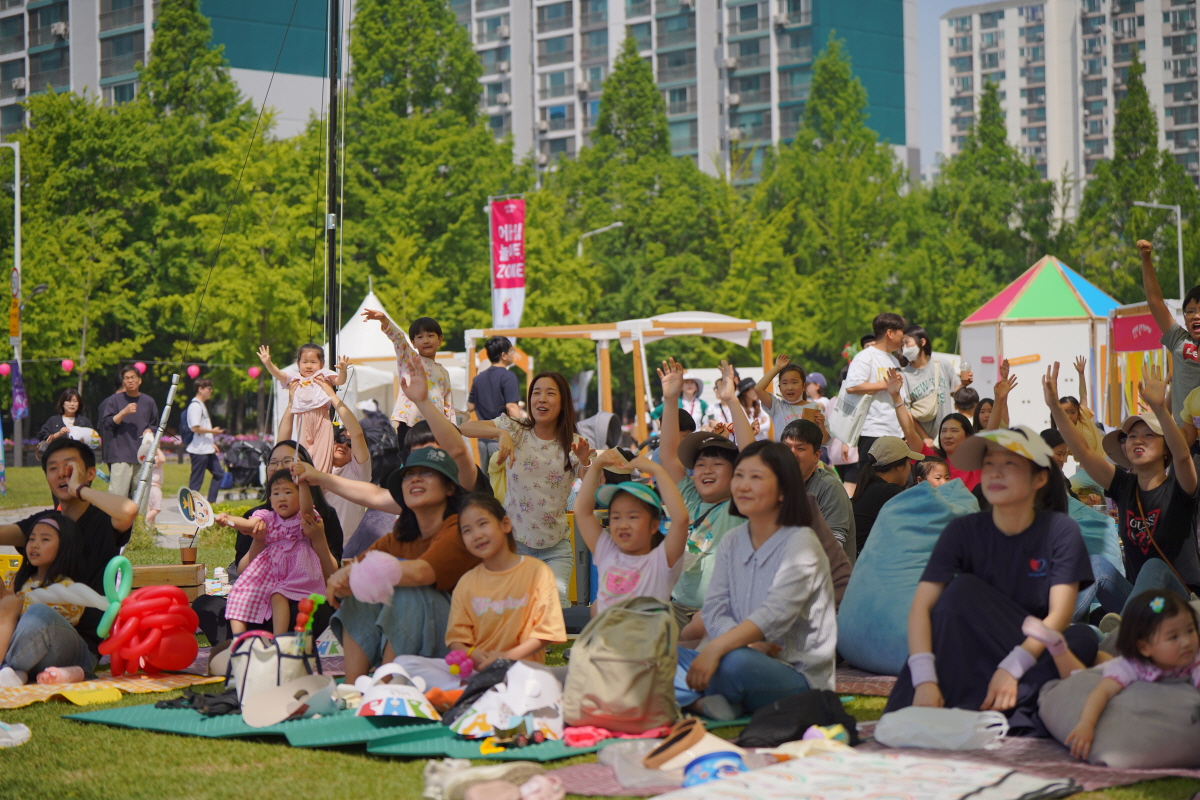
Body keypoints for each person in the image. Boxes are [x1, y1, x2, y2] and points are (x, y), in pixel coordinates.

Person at [885, 426, 1096, 735]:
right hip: (970, 649)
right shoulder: (962, 531)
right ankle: (1012, 706)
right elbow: (921, 608)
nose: (995, 473)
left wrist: (1012, 668)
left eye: (1009, 464)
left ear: (1040, 478)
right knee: (959, 594)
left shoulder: (1060, 531)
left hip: (1028, 648)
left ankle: (986, 703)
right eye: (989, 464)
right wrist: (925, 679)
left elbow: (1059, 615)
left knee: (1082, 639)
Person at [674, 441, 837, 718]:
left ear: (784, 490)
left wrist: (720, 647)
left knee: (733, 665)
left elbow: (774, 615)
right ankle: (704, 702)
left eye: (756, 477)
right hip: (736, 653)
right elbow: (714, 611)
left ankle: (689, 694)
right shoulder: (732, 541)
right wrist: (739, 643)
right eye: (739, 475)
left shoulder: (800, 542)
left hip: (794, 675)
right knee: (648, 652)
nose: (743, 486)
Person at [1043, 362, 1200, 619]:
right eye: (1131, 436)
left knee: (1154, 566)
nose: (1137, 440)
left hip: (1177, 606)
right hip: (1139, 606)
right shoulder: (1124, 486)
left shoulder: (1180, 487)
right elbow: (1083, 450)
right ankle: (1049, 631)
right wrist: (1055, 409)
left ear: (1166, 449)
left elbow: (1183, 457)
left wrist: (1160, 408)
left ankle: (1122, 636)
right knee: (1096, 564)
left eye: (1148, 435)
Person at [309, 447, 480, 681]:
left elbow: (420, 574)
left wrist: (358, 573)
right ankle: (354, 690)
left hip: (462, 642)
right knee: (360, 594)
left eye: (427, 473)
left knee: (406, 590)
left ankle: (384, 688)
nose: (416, 479)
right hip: (419, 637)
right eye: (409, 475)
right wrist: (345, 579)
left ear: (450, 488)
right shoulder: (401, 534)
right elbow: (354, 573)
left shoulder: (459, 527)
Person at [391, 494, 566, 691]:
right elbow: (456, 640)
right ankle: (473, 691)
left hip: (519, 669)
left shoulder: (537, 571)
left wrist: (504, 657)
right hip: (477, 671)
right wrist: (472, 653)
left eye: (483, 524)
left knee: (539, 681)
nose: (477, 534)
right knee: (403, 664)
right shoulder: (467, 582)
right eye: (467, 531)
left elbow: (546, 633)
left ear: (505, 524)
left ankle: (468, 693)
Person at [0, 439, 136, 675]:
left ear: (91, 473)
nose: (62, 474)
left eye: (69, 467)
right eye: (53, 468)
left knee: (39, 613)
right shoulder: (43, 523)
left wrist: (80, 489)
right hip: (20, 632)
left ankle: (8, 668)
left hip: (74, 645)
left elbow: (128, 511)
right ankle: (10, 669)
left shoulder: (103, 520)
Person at [460, 372, 591, 606]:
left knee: (556, 605)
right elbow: (466, 428)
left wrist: (584, 461)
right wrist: (500, 433)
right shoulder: (516, 429)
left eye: (550, 393)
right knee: (515, 609)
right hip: (515, 544)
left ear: (563, 404)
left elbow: (590, 488)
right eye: (536, 393)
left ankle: (547, 645)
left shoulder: (573, 442)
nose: (541, 398)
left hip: (556, 548)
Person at [1030, 591, 1199, 761]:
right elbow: (1101, 693)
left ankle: (1097, 652)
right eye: (1173, 637)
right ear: (1145, 647)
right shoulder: (1131, 667)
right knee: (1077, 677)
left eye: (1190, 630)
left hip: (1112, 661)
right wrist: (1086, 724)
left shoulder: (1194, 658)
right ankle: (1058, 648)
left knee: (1103, 658)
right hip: (1104, 671)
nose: (1186, 642)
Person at [657, 359, 743, 629]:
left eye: (717, 464)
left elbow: (751, 455)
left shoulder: (740, 504)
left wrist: (731, 400)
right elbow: (669, 455)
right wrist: (670, 401)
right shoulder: (690, 495)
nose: (706, 470)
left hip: (725, 611)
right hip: (679, 608)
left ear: (736, 472)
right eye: (701, 464)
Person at [220, 470, 337, 636]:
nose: (282, 497)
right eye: (276, 493)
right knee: (239, 592)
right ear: (270, 500)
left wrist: (303, 481)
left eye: (288, 492)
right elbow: (248, 525)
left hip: (298, 572)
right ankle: (238, 640)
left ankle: (279, 639)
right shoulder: (267, 517)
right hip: (269, 572)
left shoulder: (304, 519)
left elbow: (307, 510)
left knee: (278, 595)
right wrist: (228, 521)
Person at [576, 451, 688, 616]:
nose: (623, 525)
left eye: (633, 516)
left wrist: (658, 471)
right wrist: (596, 467)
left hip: (645, 640)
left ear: (654, 525)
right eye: (616, 517)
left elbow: (681, 520)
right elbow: (582, 513)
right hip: (607, 640)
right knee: (596, 607)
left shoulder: (660, 561)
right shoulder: (608, 553)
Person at [0, 514, 92, 686]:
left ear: (64, 549)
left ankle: (6, 668)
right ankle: (13, 673)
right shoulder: (15, 579)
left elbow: (49, 624)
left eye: (45, 539)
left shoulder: (67, 587)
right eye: (31, 538)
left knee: (38, 613)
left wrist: (17, 603)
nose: (34, 544)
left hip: (58, 652)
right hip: (28, 659)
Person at [280, 378, 372, 546]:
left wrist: (331, 396)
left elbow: (357, 433)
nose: (344, 444)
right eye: (340, 438)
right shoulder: (314, 465)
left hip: (348, 549)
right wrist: (291, 405)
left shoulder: (358, 471)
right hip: (312, 547)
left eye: (349, 443)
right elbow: (281, 449)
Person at [362, 309, 455, 452]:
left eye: (431, 335)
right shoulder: (409, 358)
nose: (426, 340)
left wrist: (452, 429)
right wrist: (384, 320)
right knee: (410, 462)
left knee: (433, 464)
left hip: (435, 426)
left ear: (440, 340)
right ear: (413, 343)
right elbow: (399, 338)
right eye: (420, 337)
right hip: (410, 423)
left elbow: (448, 404)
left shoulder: (443, 372)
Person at [257, 344, 348, 472]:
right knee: (304, 454)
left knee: (322, 456)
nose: (309, 366)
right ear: (298, 363)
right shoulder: (295, 377)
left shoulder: (323, 375)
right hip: (302, 420)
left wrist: (343, 370)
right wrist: (268, 363)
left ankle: (320, 482)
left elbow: (339, 381)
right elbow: (279, 375)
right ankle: (306, 481)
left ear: (321, 364)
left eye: (313, 362)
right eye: (304, 362)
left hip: (322, 419)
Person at [1138, 239, 1200, 424]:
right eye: (1190, 311)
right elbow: (1156, 302)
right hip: (1185, 441)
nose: (1196, 316)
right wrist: (1146, 258)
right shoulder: (1180, 341)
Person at [780, 419, 856, 566]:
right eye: (787, 447)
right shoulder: (777, 484)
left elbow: (834, 547)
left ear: (817, 455)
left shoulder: (829, 487)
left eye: (800, 449)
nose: (792, 454)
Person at [843, 313, 908, 454]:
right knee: (875, 476)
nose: (903, 337)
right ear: (890, 333)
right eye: (901, 332)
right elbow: (852, 386)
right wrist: (886, 385)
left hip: (897, 432)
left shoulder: (894, 360)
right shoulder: (865, 356)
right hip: (873, 432)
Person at [852, 436, 921, 554]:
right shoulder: (888, 492)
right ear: (898, 466)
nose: (910, 468)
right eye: (909, 463)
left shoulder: (872, 486)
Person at [100, 365, 159, 499]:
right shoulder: (114, 400)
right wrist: (123, 412)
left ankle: (139, 520)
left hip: (143, 456)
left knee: (141, 496)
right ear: (123, 382)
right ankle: (115, 520)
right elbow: (107, 424)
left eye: (133, 377)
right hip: (121, 456)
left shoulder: (149, 401)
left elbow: (155, 424)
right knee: (117, 496)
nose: (130, 381)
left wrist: (150, 430)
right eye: (126, 378)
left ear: (139, 380)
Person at [469, 336, 522, 469]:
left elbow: (470, 406)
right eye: (511, 351)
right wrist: (523, 430)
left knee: (488, 484)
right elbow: (512, 407)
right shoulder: (508, 376)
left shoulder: (478, 379)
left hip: (482, 440)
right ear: (503, 355)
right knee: (503, 483)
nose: (512, 354)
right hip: (501, 440)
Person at [900, 325, 960, 440]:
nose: (904, 348)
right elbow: (907, 413)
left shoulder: (942, 364)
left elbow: (954, 392)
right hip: (924, 441)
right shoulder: (905, 375)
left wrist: (964, 384)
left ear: (922, 342)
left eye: (907, 343)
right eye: (902, 345)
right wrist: (925, 438)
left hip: (947, 437)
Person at [756, 355, 828, 444]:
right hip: (783, 457)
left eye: (794, 382)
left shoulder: (814, 407)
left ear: (804, 386)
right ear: (780, 387)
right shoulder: (777, 406)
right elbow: (758, 389)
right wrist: (777, 368)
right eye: (785, 383)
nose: (790, 387)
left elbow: (824, 441)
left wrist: (822, 426)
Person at [1052, 356, 1105, 458]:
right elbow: (1054, 404)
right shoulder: (1063, 433)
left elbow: (1083, 395)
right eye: (1065, 412)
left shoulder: (1083, 416)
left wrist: (1081, 374)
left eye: (1072, 412)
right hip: (1087, 466)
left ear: (1078, 412)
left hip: (1104, 457)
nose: (1069, 416)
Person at [185, 378, 225, 504]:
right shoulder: (195, 406)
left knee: (219, 473)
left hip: (206, 448)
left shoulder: (201, 405)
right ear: (200, 389)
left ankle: (211, 503)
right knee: (197, 481)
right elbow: (195, 427)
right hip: (198, 450)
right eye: (208, 388)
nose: (210, 391)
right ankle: (189, 507)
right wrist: (214, 432)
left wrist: (211, 442)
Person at [37, 388, 92, 458]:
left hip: (79, 459)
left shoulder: (84, 422)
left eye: (75, 401)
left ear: (79, 404)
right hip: (57, 458)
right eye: (69, 401)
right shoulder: (53, 421)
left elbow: (94, 442)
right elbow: (42, 437)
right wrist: (58, 434)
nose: (72, 404)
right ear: (62, 403)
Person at [137, 431, 167, 529]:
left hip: (152, 486)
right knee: (156, 508)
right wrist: (156, 447)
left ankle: (152, 528)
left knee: (151, 508)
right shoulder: (152, 458)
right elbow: (162, 459)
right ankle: (143, 522)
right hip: (154, 486)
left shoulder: (145, 457)